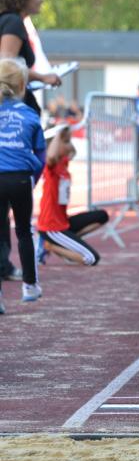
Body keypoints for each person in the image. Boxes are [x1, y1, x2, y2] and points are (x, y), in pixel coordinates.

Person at [0, 0, 61, 282]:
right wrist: (44, 77)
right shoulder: (12, 22)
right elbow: (6, 66)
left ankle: (4, 263)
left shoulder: (10, 22)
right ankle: (6, 265)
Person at [0, 58, 45, 314]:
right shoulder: (30, 114)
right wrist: (32, 179)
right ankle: (30, 286)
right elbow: (40, 156)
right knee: (24, 232)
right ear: (21, 86)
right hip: (20, 178)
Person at [36, 126, 109, 266]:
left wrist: (66, 133)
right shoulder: (50, 167)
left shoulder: (63, 162)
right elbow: (51, 156)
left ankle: (68, 243)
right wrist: (58, 134)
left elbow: (73, 152)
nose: (69, 145)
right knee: (91, 258)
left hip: (64, 222)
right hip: (52, 227)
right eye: (65, 142)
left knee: (102, 216)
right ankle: (50, 246)